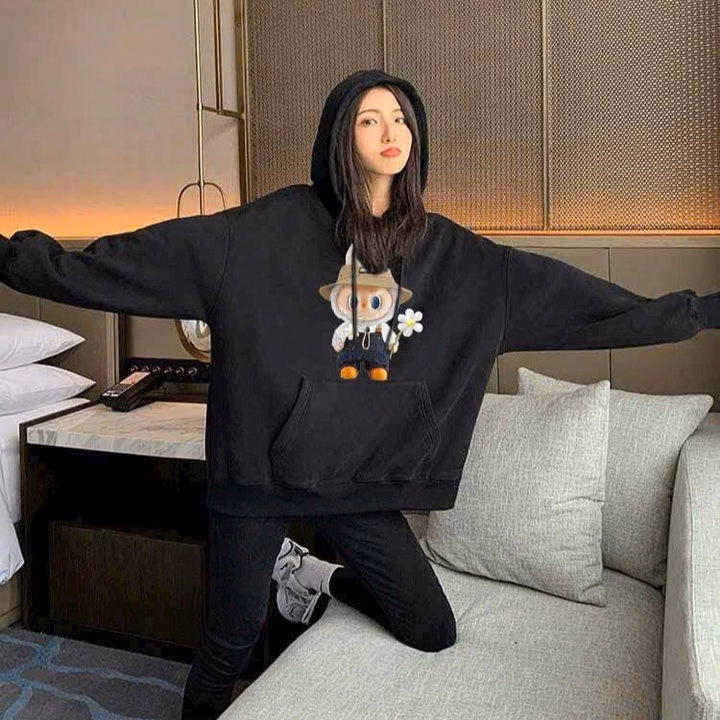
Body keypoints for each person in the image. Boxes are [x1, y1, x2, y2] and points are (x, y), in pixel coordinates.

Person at [1, 69, 718, 720]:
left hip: (359, 481)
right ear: (340, 137)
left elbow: (581, 304)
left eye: (401, 118)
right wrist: (12, 257)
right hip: (259, 481)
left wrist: (696, 313)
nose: (390, 131)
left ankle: (311, 578)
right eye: (370, 119)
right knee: (227, 647)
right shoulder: (260, 233)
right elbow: (120, 264)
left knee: (432, 630)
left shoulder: (453, 257)